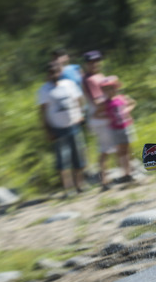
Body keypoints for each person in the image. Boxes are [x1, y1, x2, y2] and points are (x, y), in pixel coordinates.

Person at [37, 61, 88, 196]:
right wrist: (47, 130)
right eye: (51, 72)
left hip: (73, 126)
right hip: (58, 129)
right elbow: (42, 111)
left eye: (56, 72)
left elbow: (79, 99)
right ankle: (68, 188)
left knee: (79, 157)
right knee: (63, 161)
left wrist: (81, 114)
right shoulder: (44, 90)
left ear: (60, 72)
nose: (54, 75)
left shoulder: (69, 84)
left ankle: (80, 185)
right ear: (48, 74)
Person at [81, 50, 115, 185]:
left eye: (97, 61)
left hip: (104, 116)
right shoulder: (90, 79)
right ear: (86, 64)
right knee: (105, 149)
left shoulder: (99, 76)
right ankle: (104, 179)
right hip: (99, 118)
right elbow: (98, 101)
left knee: (109, 148)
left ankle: (107, 176)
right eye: (91, 62)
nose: (95, 64)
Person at [100, 76, 137, 187]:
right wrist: (108, 117)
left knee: (127, 150)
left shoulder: (121, 98)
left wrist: (127, 110)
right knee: (120, 152)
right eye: (107, 89)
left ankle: (129, 172)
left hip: (125, 127)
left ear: (115, 88)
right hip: (115, 129)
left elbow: (133, 102)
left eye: (111, 88)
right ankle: (125, 173)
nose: (109, 91)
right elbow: (97, 113)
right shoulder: (106, 103)